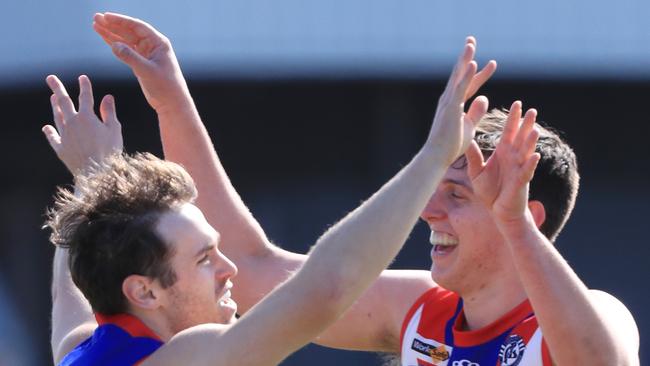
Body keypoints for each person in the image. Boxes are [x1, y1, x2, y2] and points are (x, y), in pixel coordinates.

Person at [56, 12, 640, 365]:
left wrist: (508, 221)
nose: (428, 210)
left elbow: (593, 359)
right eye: (433, 189)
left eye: (457, 195)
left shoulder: (597, 315)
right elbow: (268, 273)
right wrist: (173, 102)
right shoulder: (421, 312)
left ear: (527, 213)